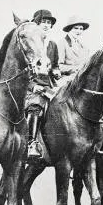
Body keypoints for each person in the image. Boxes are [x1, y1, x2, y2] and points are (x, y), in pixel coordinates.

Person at [25, 9, 61, 159]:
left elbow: (55, 65)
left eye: (49, 23)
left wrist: (56, 71)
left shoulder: (52, 45)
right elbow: (22, 69)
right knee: (36, 106)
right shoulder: (29, 42)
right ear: (35, 24)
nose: (46, 25)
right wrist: (33, 86)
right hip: (31, 86)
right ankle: (30, 143)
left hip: (48, 86)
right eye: (43, 22)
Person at [58, 15, 90, 80]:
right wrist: (76, 68)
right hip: (67, 80)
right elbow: (59, 66)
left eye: (81, 29)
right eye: (76, 28)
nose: (79, 31)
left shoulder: (83, 47)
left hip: (82, 79)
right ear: (69, 29)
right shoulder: (62, 43)